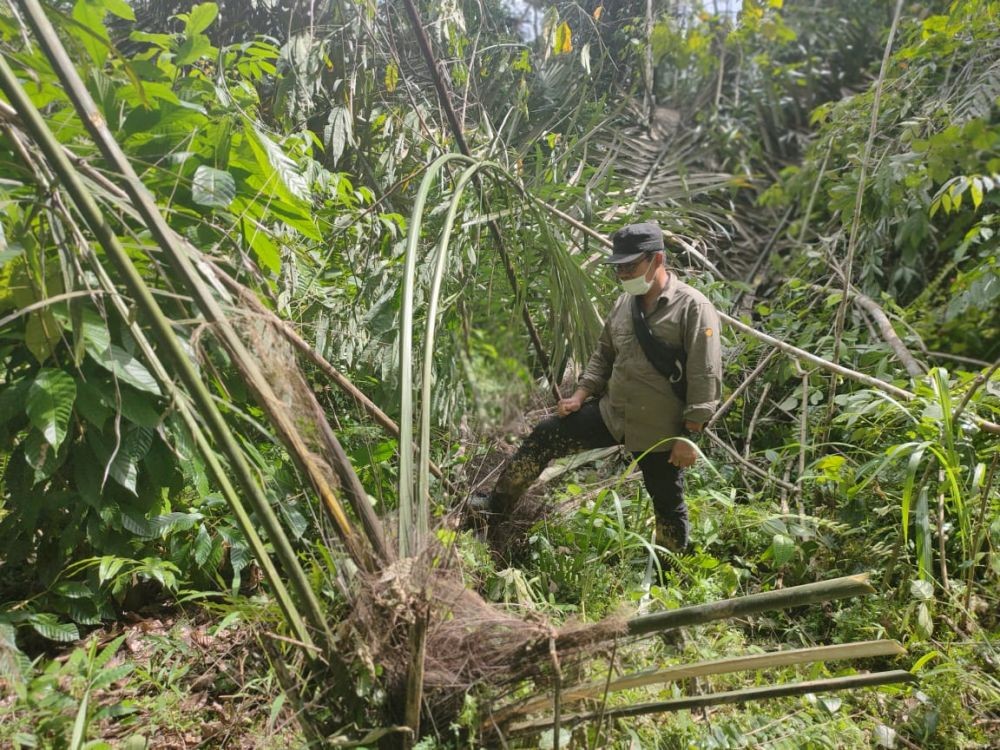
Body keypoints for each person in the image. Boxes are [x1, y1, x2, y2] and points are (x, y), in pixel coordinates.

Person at [474, 221, 723, 555]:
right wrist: (579, 395)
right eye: (618, 267)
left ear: (658, 259)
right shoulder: (624, 304)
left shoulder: (693, 307)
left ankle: (670, 574)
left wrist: (689, 436)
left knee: (667, 503)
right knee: (544, 436)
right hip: (613, 414)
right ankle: (495, 507)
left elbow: (705, 374)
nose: (622, 274)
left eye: (630, 266)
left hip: (661, 430)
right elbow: (603, 356)